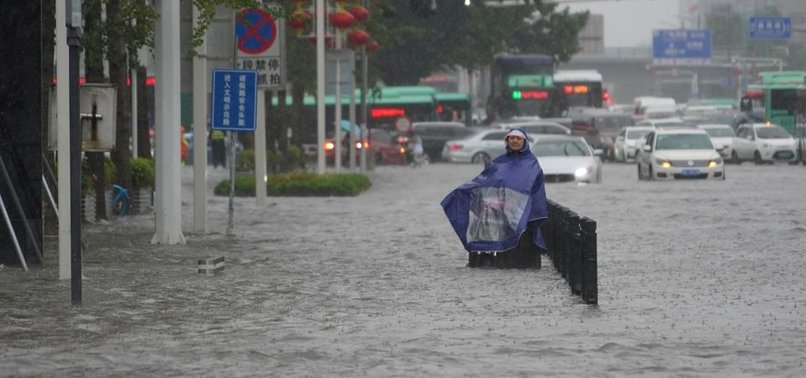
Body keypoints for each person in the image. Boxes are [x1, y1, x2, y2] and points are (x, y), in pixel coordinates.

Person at [441, 127, 548, 269]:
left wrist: (532, 213)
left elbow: (536, 189)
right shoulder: (499, 162)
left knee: (521, 252)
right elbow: (484, 181)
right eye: (511, 138)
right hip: (498, 216)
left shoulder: (531, 163)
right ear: (507, 141)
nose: (514, 141)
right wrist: (465, 190)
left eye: (518, 138)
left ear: (524, 141)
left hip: (523, 217)